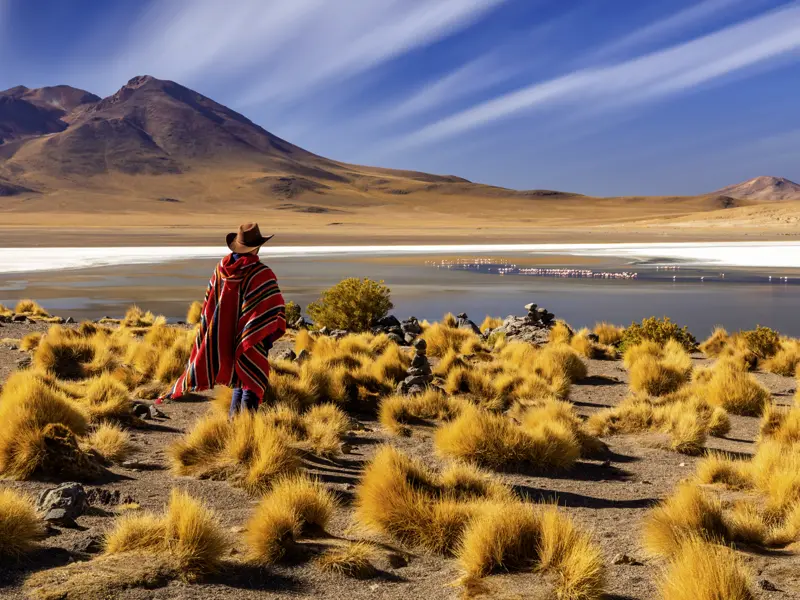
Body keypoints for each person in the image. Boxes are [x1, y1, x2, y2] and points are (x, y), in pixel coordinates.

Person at [157, 223, 286, 417]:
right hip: (251, 335)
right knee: (251, 377)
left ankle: (234, 426)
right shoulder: (261, 273)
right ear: (257, 247)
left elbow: (210, 303)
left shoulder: (221, 269)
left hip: (222, 336)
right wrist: (263, 334)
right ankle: (244, 429)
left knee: (239, 378)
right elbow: (272, 306)